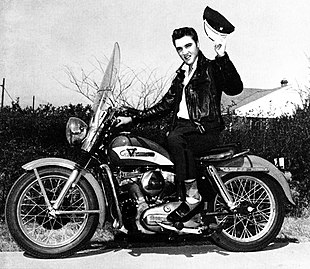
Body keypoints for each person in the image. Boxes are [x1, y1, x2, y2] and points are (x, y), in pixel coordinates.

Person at [117, 7, 243, 223]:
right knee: (151, 147)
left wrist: (222, 55)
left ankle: (192, 196)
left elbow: (235, 88)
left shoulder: (211, 69)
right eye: (179, 48)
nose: (184, 51)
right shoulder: (182, 75)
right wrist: (133, 117)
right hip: (183, 128)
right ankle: (160, 201)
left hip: (204, 129)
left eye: (188, 45)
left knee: (174, 139)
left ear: (197, 44)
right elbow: (165, 105)